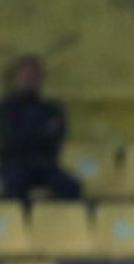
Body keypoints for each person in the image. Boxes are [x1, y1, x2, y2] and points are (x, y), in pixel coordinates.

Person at [0, 54, 81, 203]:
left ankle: (68, 224)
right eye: (25, 75)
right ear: (16, 78)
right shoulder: (6, 108)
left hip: (45, 165)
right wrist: (42, 132)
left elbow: (56, 140)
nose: (29, 79)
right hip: (14, 165)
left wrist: (30, 134)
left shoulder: (51, 108)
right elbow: (11, 140)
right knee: (14, 187)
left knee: (71, 186)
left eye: (34, 75)